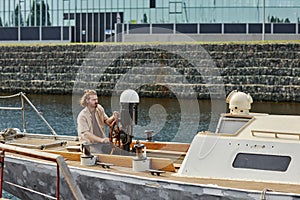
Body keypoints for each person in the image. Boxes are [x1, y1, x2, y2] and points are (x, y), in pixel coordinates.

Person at [77, 89, 119, 153]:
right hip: (88, 145)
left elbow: (107, 121)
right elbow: (86, 134)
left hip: (101, 143)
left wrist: (114, 116)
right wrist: (101, 140)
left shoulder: (99, 108)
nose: (96, 101)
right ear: (87, 101)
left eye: (97, 99)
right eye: (93, 100)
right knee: (103, 154)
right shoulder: (82, 116)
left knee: (117, 151)